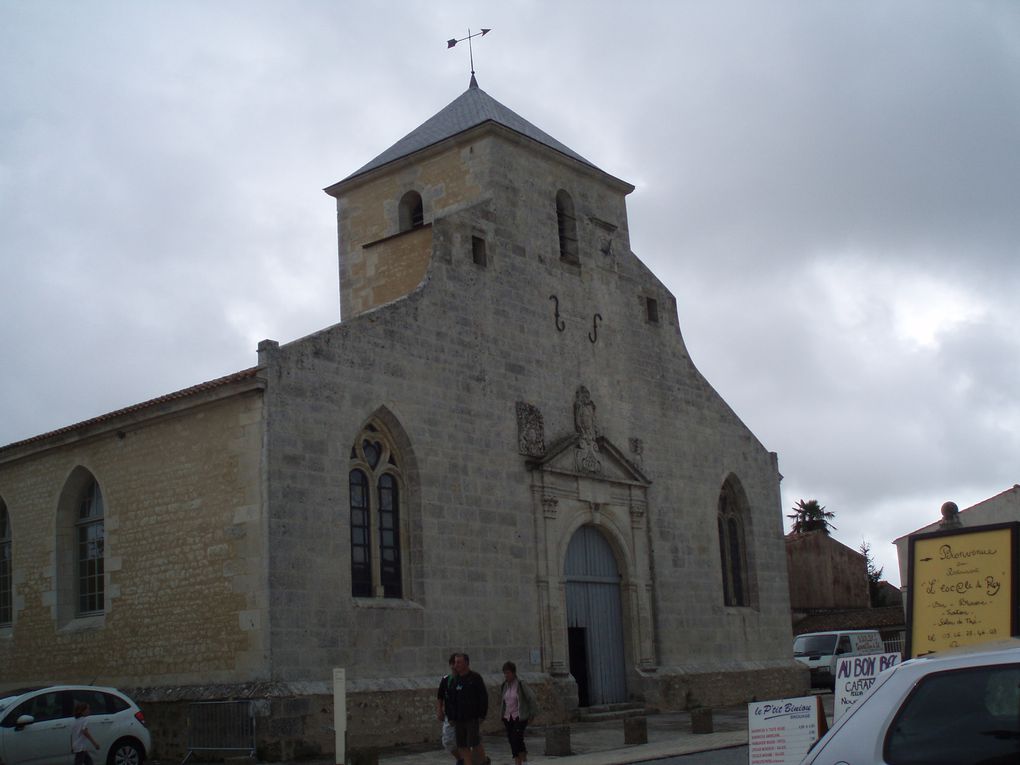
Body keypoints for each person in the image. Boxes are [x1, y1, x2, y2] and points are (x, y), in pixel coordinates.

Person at [445, 652, 489, 765]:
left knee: (474, 743)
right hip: (458, 720)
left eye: (459, 662)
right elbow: (450, 700)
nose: (456, 665)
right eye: (455, 662)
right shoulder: (455, 680)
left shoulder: (475, 678)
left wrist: (482, 715)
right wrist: (450, 716)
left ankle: (484, 762)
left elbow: (483, 697)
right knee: (462, 746)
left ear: (466, 663)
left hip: (472, 718)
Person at [500, 661, 538, 765]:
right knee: (512, 740)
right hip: (508, 717)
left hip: (520, 716)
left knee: (517, 738)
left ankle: (523, 762)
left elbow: (531, 697)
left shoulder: (521, 684)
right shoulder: (504, 685)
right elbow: (503, 701)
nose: (506, 675)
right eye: (505, 673)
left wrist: (532, 713)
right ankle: (519, 761)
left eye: (508, 673)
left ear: (513, 672)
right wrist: (502, 715)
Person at [436, 654, 463, 765]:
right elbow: (440, 696)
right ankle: (461, 759)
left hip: (463, 716)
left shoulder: (465, 679)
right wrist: (439, 710)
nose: (454, 666)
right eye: (453, 664)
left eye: (457, 663)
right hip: (450, 715)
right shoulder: (446, 679)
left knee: (465, 741)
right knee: (447, 740)